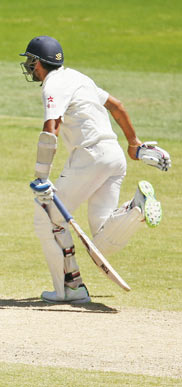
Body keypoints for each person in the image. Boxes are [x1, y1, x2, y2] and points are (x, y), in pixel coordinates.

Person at [20, 36, 171, 303]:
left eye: (32, 62)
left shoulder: (52, 86)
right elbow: (116, 105)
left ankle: (66, 289)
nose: (30, 68)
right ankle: (135, 209)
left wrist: (41, 175)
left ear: (40, 63)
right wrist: (133, 143)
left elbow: (51, 128)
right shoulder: (79, 78)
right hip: (113, 157)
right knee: (101, 241)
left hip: (90, 158)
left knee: (44, 218)